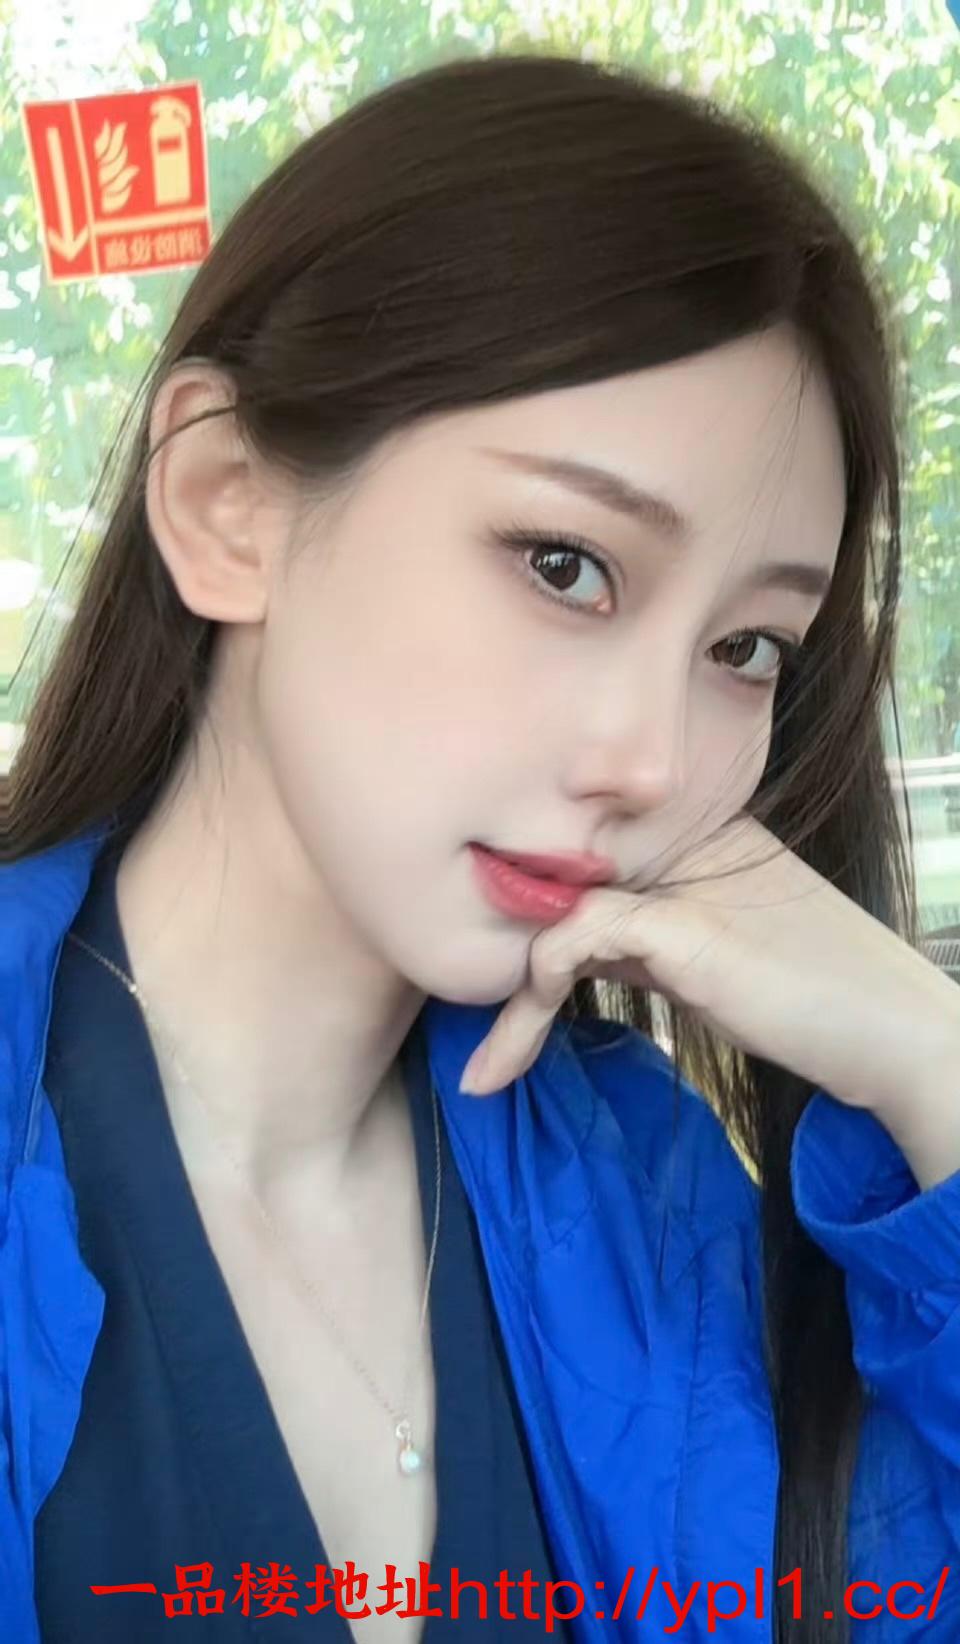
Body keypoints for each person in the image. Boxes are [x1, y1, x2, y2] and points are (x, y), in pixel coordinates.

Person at [2, 48, 958, 1644]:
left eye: (747, 650)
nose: (652, 762)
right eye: (567, 564)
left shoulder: (658, 1206)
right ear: (225, 500)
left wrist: (934, 1062)